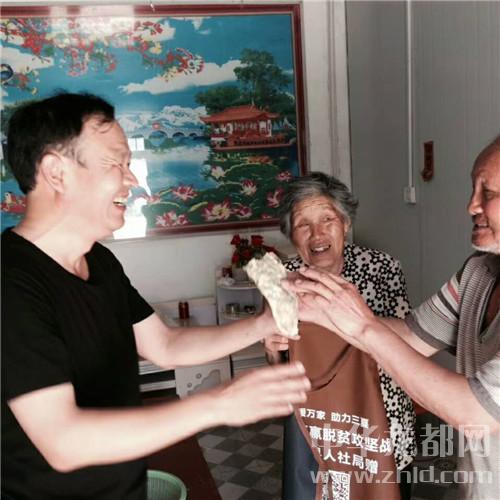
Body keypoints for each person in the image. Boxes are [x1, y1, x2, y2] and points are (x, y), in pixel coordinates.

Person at [0, 92, 310, 500]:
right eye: (115, 163)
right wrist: (219, 403)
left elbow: (164, 345)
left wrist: (264, 324)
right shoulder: (11, 283)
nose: (132, 180)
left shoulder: (100, 262)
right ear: (56, 173)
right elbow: (63, 442)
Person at [285, 138, 500, 499]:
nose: (471, 205)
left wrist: (363, 325)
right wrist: (315, 312)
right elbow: (413, 337)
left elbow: (473, 411)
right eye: (473, 189)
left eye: (488, 192)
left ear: (345, 224)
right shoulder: (478, 273)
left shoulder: (381, 266)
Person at [265, 172, 416, 499]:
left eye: (327, 220)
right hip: (318, 421)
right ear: (291, 235)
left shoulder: (382, 268)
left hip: (380, 416)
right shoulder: (283, 281)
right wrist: (273, 351)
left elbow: (407, 342)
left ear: (345, 224)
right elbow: (279, 368)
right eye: (303, 224)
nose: (317, 234)